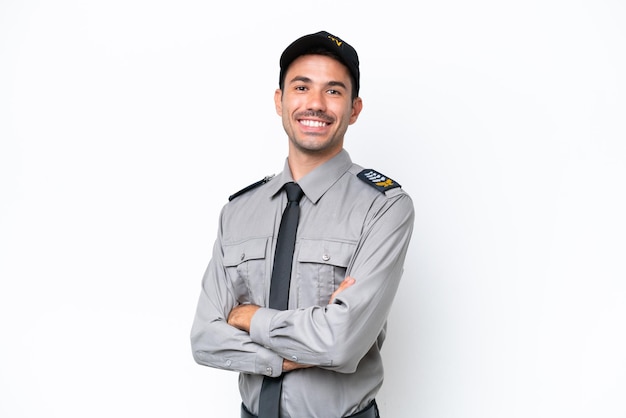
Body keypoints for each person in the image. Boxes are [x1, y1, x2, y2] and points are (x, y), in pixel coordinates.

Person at [190, 30, 415, 418]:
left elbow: (341, 343)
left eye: (333, 91)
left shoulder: (384, 208)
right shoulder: (238, 212)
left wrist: (248, 317)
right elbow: (205, 339)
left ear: (354, 108)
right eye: (301, 87)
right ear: (280, 101)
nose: (315, 104)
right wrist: (295, 353)